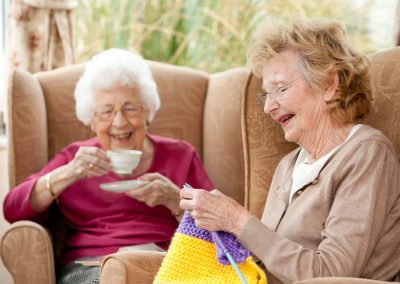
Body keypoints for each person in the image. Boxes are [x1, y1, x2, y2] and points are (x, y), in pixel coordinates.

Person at [180, 18, 400, 283]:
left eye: (281, 89)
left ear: (330, 84)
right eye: (266, 94)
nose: (268, 107)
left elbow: (331, 274)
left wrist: (237, 219)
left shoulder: (366, 153)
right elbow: (265, 262)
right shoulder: (288, 166)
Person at [3, 48, 213, 284]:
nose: (119, 122)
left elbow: (217, 230)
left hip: (166, 263)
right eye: (106, 111)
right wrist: (70, 172)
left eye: (130, 108)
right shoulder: (75, 158)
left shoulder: (181, 155)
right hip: (92, 267)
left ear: (147, 114)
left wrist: (174, 199)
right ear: (91, 121)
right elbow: (12, 209)